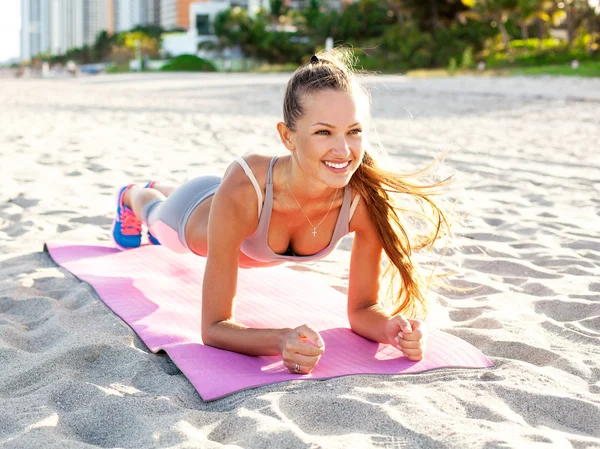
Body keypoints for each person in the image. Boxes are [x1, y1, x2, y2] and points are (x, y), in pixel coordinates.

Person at [111, 49, 453, 375]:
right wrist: (280, 340)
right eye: (323, 132)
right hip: (190, 218)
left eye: (354, 131)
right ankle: (132, 195)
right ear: (287, 137)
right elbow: (213, 328)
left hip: (225, 199)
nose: (343, 149)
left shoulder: (364, 200)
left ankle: (159, 186)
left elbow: (362, 310)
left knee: (194, 195)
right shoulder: (247, 188)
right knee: (155, 214)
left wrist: (389, 328)